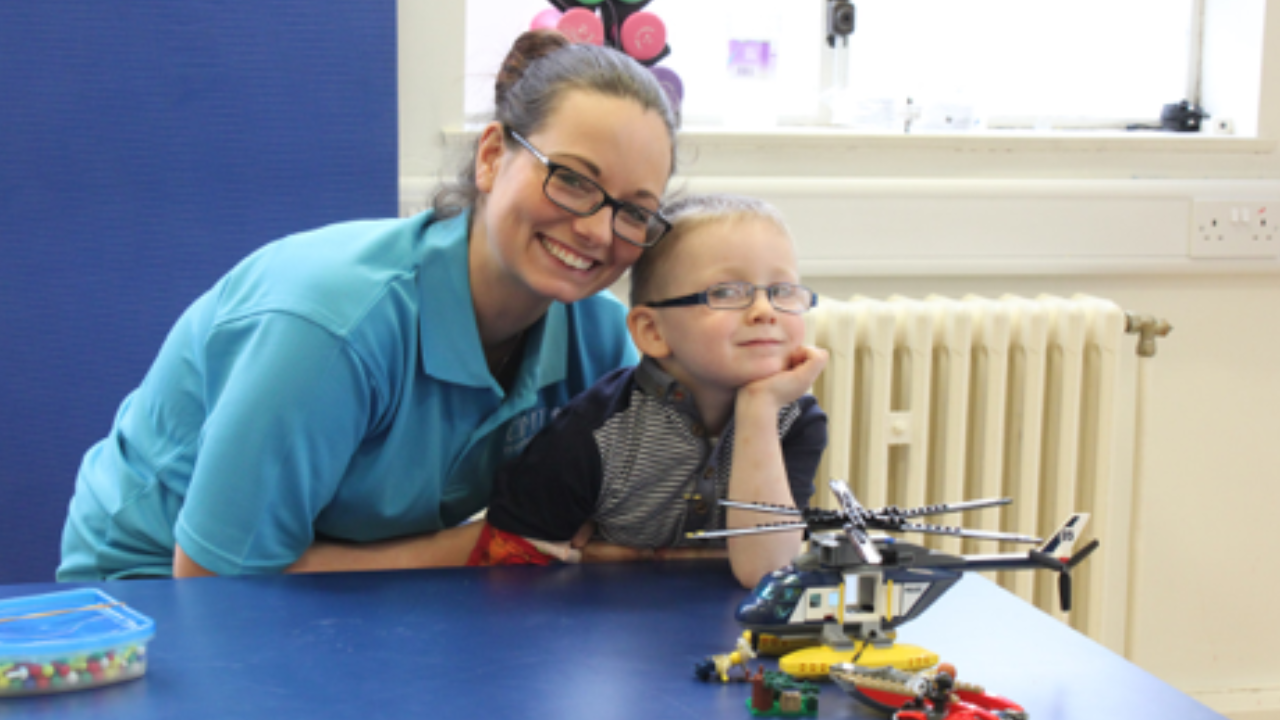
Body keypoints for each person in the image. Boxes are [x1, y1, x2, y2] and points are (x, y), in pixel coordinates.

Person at [56, 29, 679, 580]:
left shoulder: (596, 336)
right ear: (492, 156)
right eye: (571, 178)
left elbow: (657, 505)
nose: (599, 232)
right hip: (158, 591)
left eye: (634, 211)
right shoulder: (330, 329)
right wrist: (483, 547)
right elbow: (216, 577)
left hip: (363, 582)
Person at [467, 194, 829, 588]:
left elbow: (765, 571)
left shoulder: (795, 422)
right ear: (652, 332)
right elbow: (509, 561)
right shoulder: (593, 432)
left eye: (783, 291)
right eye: (725, 293)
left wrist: (758, 408)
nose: (765, 311)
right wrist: (579, 559)